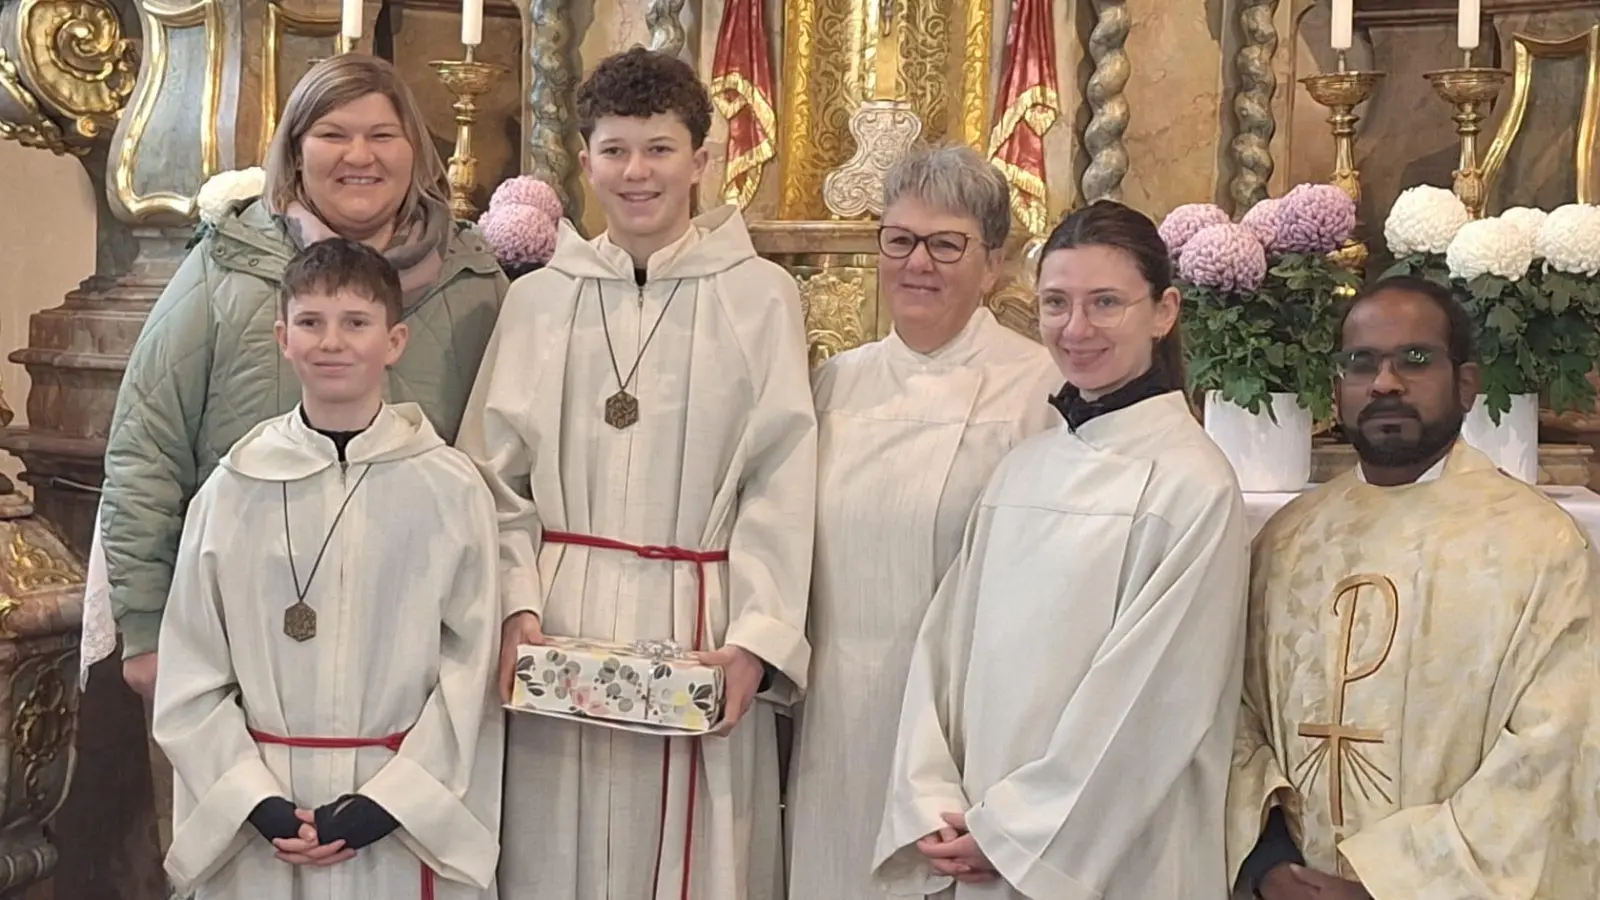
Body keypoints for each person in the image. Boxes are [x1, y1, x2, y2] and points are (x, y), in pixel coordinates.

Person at [457, 47, 816, 900]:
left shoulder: (760, 295)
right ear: (584, 163)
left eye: (659, 148)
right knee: (554, 858)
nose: (637, 171)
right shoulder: (541, 298)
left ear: (702, 159)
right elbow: (491, 476)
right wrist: (514, 605)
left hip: (701, 621)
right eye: (615, 150)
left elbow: (781, 478)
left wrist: (757, 642)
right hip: (561, 616)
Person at [871, 200, 1249, 899]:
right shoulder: (1025, 466)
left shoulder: (1191, 483)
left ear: (1163, 311)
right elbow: (942, 651)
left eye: (1105, 302)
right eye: (1056, 303)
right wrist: (932, 796)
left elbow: (1154, 701)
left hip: (1106, 855)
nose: (1076, 329)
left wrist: (1017, 833)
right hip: (979, 837)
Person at [100, 53, 507, 700]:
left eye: (382, 135)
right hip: (245, 623)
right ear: (294, 152)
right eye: (333, 134)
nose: (359, 156)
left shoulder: (475, 284)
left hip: (416, 637)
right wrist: (146, 625)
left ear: (417, 152)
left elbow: (510, 476)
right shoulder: (226, 271)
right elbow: (147, 447)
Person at [151, 238, 503, 899]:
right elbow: (192, 667)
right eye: (311, 322)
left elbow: (472, 666)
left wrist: (392, 801)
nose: (332, 342)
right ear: (284, 338)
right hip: (264, 814)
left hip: (396, 814)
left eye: (357, 323)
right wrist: (253, 801)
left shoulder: (448, 488)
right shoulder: (233, 490)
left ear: (395, 341)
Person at [1226, 275, 1598, 900]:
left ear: (1467, 383)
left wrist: (1393, 885)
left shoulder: (1540, 547)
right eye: (1361, 362)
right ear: (1337, 388)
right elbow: (1234, 712)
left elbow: (1558, 751)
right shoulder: (1287, 541)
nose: (1386, 382)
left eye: (1416, 359)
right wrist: (1267, 861)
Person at [785, 145, 1058, 900]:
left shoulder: (1040, 386)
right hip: (837, 723)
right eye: (899, 240)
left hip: (968, 729)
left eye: (947, 244)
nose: (919, 263)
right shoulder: (835, 381)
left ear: (994, 261)